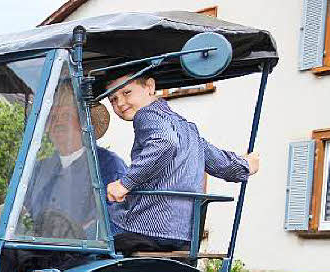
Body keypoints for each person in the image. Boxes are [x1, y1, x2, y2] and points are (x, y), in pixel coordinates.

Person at [104, 73, 259, 255]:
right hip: (185, 234)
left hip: (147, 227)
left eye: (127, 92)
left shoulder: (146, 115)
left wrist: (125, 184)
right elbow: (222, 164)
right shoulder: (187, 128)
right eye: (113, 99)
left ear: (149, 87)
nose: (120, 103)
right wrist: (246, 165)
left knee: (92, 226)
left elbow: (165, 143)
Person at [23, 85, 127, 239]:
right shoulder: (40, 168)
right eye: (52, 117)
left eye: (66, 116)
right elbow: (25, 211)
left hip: (86, 256)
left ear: (83, 124)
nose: (57, 123)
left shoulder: (108, 165)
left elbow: (117, 224)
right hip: (39, 251)